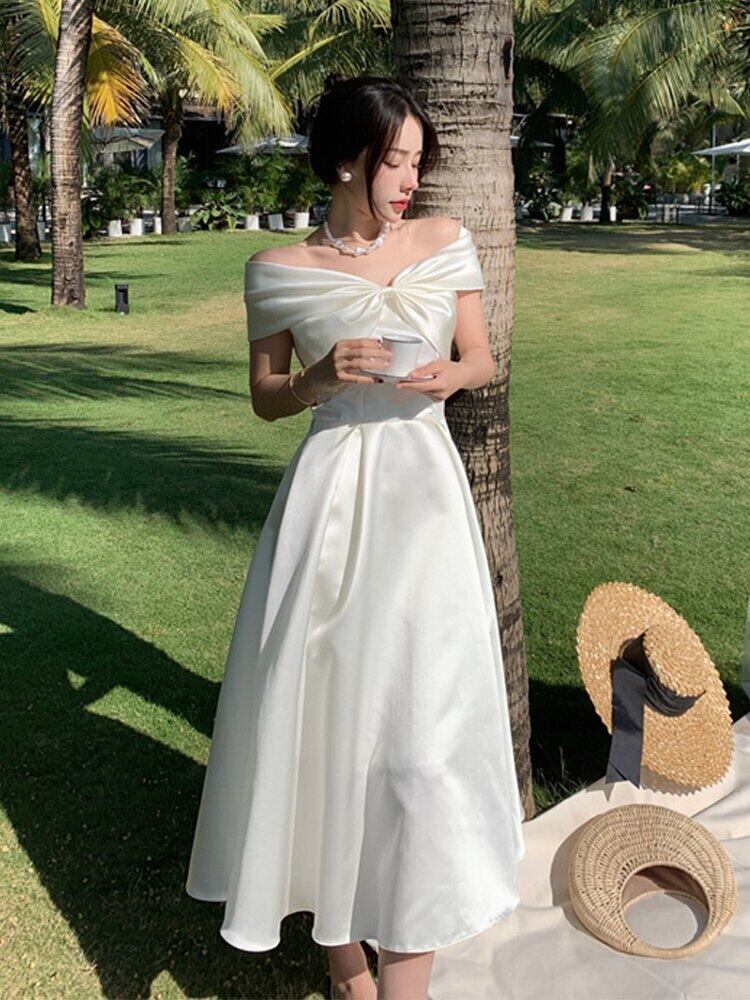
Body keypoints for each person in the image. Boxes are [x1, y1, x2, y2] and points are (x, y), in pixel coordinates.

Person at [185, 73, 526, 1000]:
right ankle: (343, 960)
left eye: (418, 161)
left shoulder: (445, 243)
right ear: (346, 161)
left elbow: (480, 355)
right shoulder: (276, 271)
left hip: (425, 505)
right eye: (396, 161)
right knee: (322, 720)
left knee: (421, 742)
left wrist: (451, 378)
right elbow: (266, 397)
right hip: (330, 507)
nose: (412, 179)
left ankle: (404, 960)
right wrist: (319, 378)